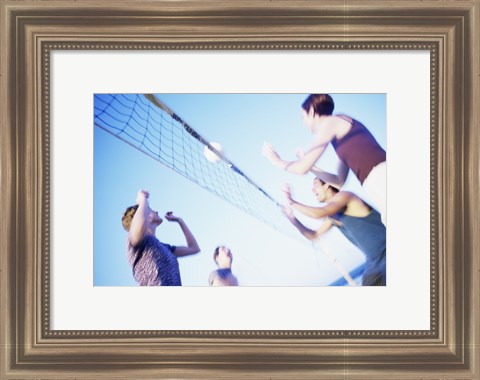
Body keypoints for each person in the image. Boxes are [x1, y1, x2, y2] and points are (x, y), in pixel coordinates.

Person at [262, 94, 386, 226]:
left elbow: (301, 168)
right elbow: (339, 181)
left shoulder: (330, 122)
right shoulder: (340, 137)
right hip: (374, 183)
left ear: (312, 111)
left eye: (303, 117)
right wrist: (311, 166)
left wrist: (277, 161)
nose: (303, 123)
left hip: (381, 176)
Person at [282, 178, 386, 286]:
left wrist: (291, 201)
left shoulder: (345, 196)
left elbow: (318, 213)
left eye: (315, 185)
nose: (312, 190)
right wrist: (292, 218)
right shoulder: (332, 216)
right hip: (375, 262)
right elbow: (313, 235)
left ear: (326, 185)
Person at [121, 189, 200, 286]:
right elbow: (140, 225)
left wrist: (180, 221)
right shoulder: (133, 241)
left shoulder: (166, 248)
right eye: (150, 209)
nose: (156, 211)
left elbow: (194, 248)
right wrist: (142, 200)